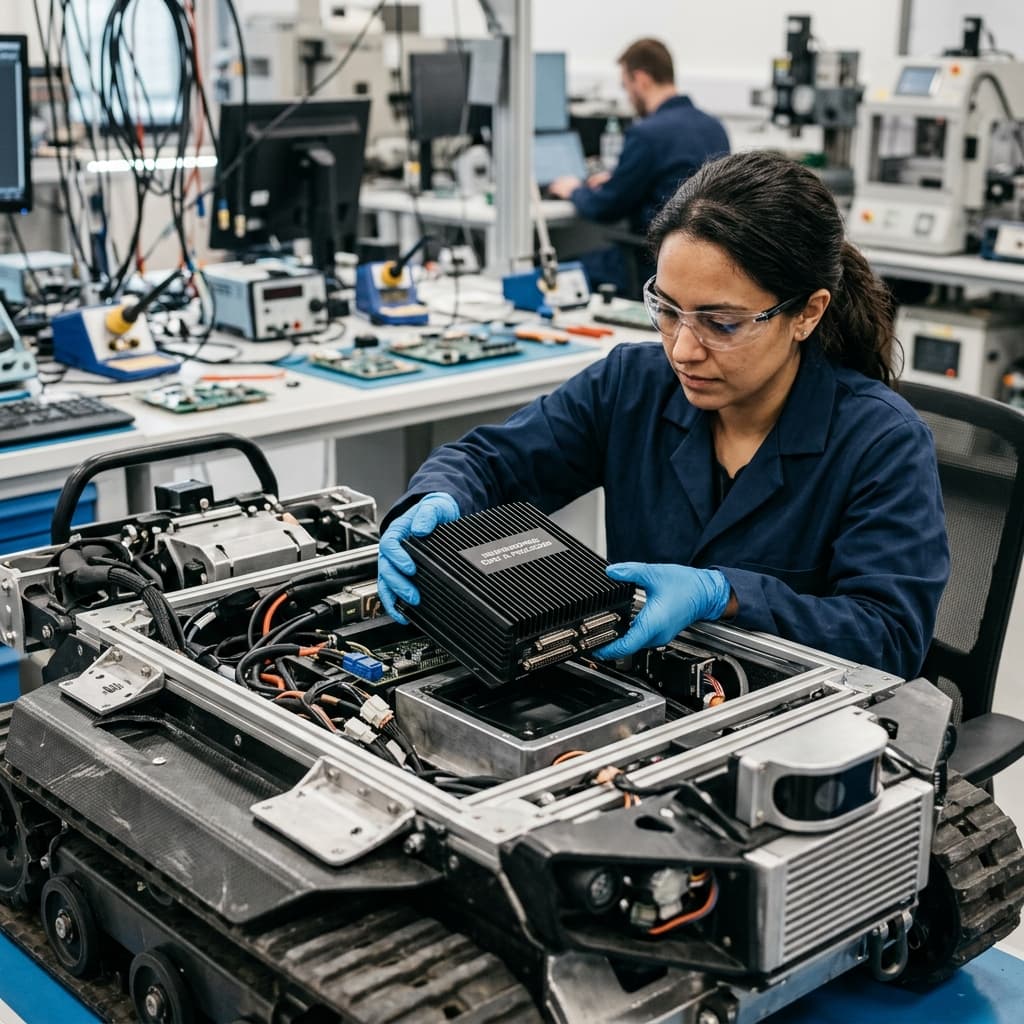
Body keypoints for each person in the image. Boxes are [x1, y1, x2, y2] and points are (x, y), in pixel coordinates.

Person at [378, 150, 950, 681]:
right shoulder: (632, 384)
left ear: (806, 313)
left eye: (720, 323)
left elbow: (890, 638)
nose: (683, 350)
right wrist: (436, 499)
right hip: (644, 697)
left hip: (795, 725)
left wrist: (725, 594)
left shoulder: (882, 441)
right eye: (669, 310)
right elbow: (489, 462)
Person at [547, 38, 729, 279]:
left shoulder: (647, 134)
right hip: (704, 265)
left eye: (626, 86)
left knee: (555, 272)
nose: (628, 97)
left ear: (641, 79)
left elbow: (606, 207)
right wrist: (615, 179)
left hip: (652, 264)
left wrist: (573, 190)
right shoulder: (714, 127)